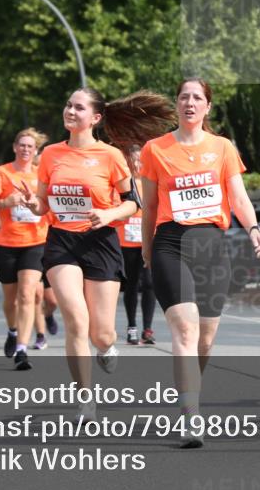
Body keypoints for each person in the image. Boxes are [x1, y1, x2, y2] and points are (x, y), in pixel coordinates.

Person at [33, 88, 173, 422]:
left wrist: (109, 215)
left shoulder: (110, 155)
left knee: (101, 332)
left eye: (78, 107)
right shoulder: (50, 154)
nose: (70, 110)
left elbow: (131, 202)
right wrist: (32, 204)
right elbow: (41, 203)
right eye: (68, 104)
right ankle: (85, 399)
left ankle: (107, 346)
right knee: (76, 321)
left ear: (95, 118)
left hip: (101, 243)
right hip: (61, 241)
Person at [140, 78, 260, 447]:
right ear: (176, 105)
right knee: (184, 330)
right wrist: (147, 249)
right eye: (184, 97)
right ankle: (190, 416)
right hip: (171, 243)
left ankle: (189, 387)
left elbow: (238, 197)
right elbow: (149, 207)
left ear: (207, 107)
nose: (190, 103)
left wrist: (254, 229)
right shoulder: (155, 149)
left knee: (205, 340)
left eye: (197, 98)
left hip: (212, 246)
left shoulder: (222, 147)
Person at [0, 128, 49, 370]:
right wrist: (6, 202)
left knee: (27, 294)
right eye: (22, 145)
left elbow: (48, 203)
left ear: (35, 151)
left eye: (30, 146)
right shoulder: (2, 173)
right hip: (5, 243)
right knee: (10, 299)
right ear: (15, 147)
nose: (25, 149)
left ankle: (22, 349)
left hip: (35, 242)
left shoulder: (41, 174)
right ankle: (13, 330)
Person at [120, 144, 156, 345]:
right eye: (133, 160)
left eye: (139, 160)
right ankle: (132, 327)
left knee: (150, 284)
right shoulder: (124, 184)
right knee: (132, 284)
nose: (136, 164)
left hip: (148, 240)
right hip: (127, 242)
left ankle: (148, 329)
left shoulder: (151, 182)